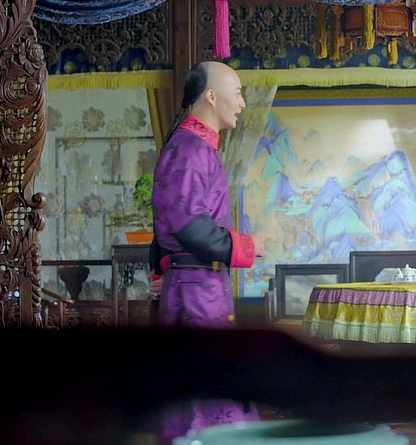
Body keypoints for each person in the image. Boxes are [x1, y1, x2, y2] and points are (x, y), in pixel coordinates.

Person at [149, 61, 263, 442]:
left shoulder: (197, 147)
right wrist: (247, 245)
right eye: (237, 93)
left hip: (201, 288)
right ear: (211, 96)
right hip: (195, 294)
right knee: (202, 397)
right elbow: (187, 224)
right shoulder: (188, 149)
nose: (242, 103)